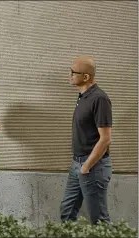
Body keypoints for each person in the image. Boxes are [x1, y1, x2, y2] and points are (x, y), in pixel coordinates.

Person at [60, 56, 112, 224]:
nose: (69, 75)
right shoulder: (83, 97)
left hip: (93, 167)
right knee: (67, 212)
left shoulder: (99, 99)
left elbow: (105, 139)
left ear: (86, 77)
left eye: (73, 72)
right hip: (77, 164)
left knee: (99, 221)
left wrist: (86, 166)